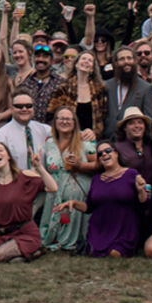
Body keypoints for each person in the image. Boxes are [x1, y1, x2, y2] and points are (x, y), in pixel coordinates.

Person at [68, 140, 146, 257]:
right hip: (100, 231)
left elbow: (144, 204)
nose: (104, 154)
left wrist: (141, 191)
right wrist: (73, 203)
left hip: (124, 230)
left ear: (116, 154)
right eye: (100, 154)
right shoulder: (96, 179)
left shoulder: (131, 174)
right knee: (94, 252)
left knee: (115, 253)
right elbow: (89, 207)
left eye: (108, 151)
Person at [37, 106, 94, 252]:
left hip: (77, 188)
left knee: (71, 215)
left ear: (74, 122)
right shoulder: (49, 143)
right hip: (55, 189)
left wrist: (80, 165)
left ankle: (74, 241)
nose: (64, 121)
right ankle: (54, 239)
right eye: (60, 118)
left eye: (68, 119)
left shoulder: (84, 141)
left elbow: (97, 165)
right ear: (55, 122)